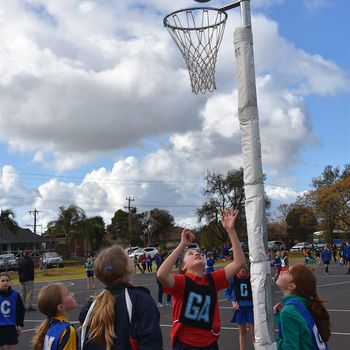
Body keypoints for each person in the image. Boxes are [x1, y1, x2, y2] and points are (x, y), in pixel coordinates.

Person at [157, 208, 246, 350]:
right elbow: (161, 275)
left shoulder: (212, 279)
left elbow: (239, 262)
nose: (196, 253)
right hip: (185, 344)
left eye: (197, 252)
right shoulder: (182, 282)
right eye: (190, 254)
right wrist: (182, 245)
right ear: (184, 267)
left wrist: (230, 230)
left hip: (210, 343)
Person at [79, 245, 163, 350]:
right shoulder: (140, 301)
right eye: (128, 257)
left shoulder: (90, 307)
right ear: (127, 268)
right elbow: (152, 345)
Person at [273, 264, 330, 349]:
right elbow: (302, 332)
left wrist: (275, 343)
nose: (283, 270)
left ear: (292, 286)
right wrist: (281, 320)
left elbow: (290, 347)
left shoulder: (289, 311)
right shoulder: (304, 305)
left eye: (288, 272)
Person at [32, 283, 77, 350]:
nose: (72, 294)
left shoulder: (48, 327)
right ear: (61, 307)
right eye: (68, 294)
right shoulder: (67, 330)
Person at [224, 265, 254, 350]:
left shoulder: (251, 277)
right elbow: (227, 292)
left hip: (251, 307)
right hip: (240, 308)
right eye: (241, 269)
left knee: (253, 332)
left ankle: (257, 347)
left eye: (245, 269)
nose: (243, 271)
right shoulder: (233, 278)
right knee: (242, 331)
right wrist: (233, 302)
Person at [0, 273, 25, 350]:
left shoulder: (15, 294)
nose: (5, 282)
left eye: (7, 280)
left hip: (11, 326)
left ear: (10, 282)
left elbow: (20, 310)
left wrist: (19, 324)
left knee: (13, 347)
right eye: (2, 280)